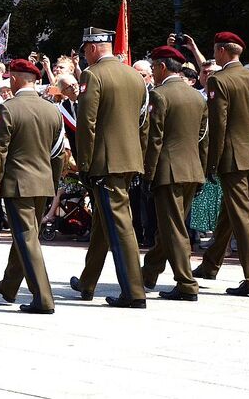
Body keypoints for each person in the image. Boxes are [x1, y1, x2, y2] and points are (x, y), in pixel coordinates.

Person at [71, 27, 149, 309]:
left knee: (119, 225)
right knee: (103, 224)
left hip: (105, 163)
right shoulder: (134, 76)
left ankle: (133, 291)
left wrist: (84, 163)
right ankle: (87, 282)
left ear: (93, 48)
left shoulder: (92, 75)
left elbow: (87, 124)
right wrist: (138, 158)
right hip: (128, 160)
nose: (85, 56)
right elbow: (143, 123)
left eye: (85, 50)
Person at [193, 32, 249, 298]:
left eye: (215, 50)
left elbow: (219, 125)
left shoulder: (219, 80)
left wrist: (211, 162)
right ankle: (210, 264)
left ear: (222, 51)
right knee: (230, 212)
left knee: (240, 217)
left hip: (232, 157)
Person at [0, 59, 64, 314]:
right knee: (26, 234)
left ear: (14, 79)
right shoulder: (52, 110)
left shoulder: (7, 109)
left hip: (17, 182)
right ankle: (9, 286)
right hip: (43, 182)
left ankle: (43, 298)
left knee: (26, 237)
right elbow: (58, 153)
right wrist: (52, 182)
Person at [139, 46, 208, 302]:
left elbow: (154, 139)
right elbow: (203, 139)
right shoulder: (197, 96)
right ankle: (148, 273)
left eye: (154, 67)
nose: (153, 71)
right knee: (169, 228)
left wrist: (148, 174)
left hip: (168, 171)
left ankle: (186, 283)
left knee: (174, 229)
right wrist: (202, 170)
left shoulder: (159, 95)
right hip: (192, 170)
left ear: (161, 67)